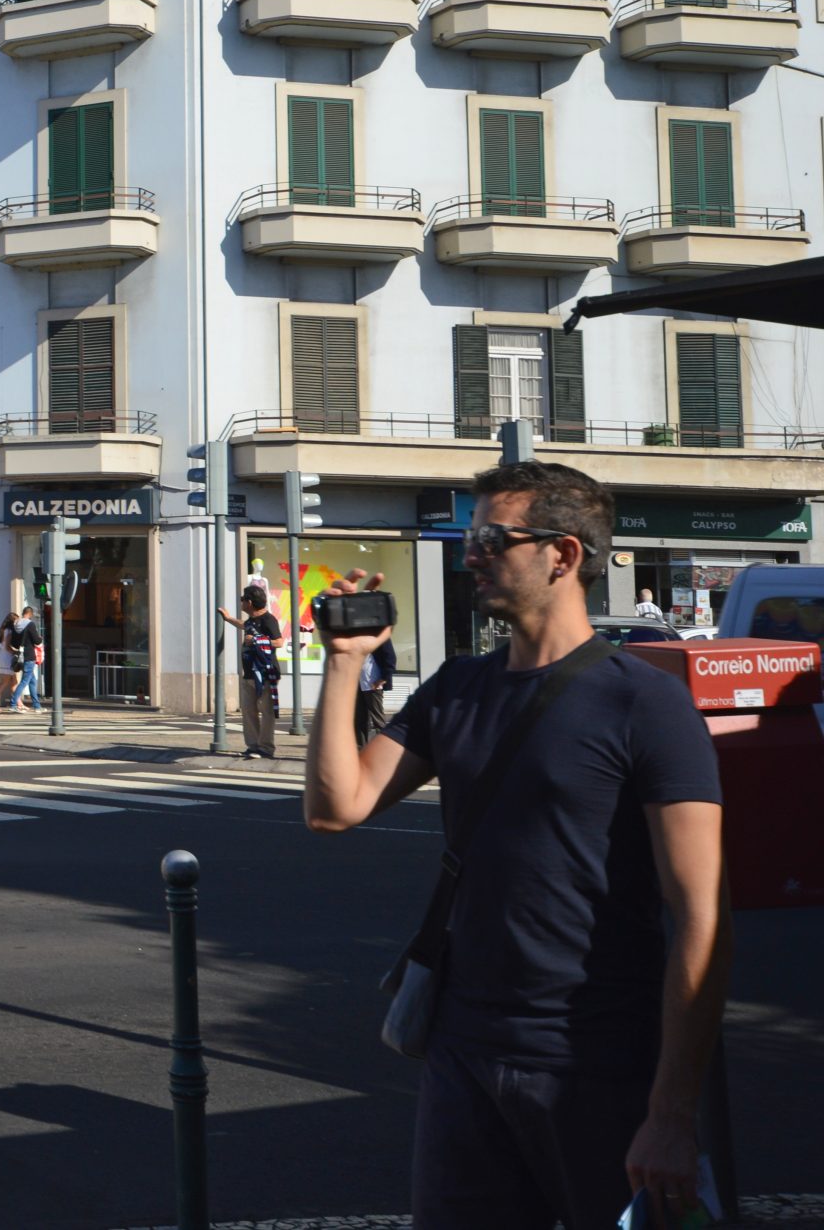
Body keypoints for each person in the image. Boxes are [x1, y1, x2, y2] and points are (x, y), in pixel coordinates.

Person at [303, 461, 726, 1230]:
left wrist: (671, 1112)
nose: (472, 554)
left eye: (494, 538)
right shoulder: (458, 687)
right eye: (473, 537)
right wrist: (344, 663)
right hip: (463, 1050)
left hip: (598, 1062)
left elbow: (701, 916)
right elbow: (338, 807)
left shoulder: (645, 703)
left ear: (562, 556)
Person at [215, 584, 281, 758]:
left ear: (249, 602)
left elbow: (279, 642)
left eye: (242, 600)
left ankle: (266, 748)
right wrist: (228, 619)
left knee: (266, 713)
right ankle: (253, 746)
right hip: (249, 673)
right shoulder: (251, 621)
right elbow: (244, 625)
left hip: (266, 673)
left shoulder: (269, 620)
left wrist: (258, 640)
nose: (241, 602)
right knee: (248, 711)